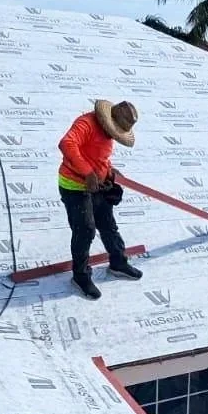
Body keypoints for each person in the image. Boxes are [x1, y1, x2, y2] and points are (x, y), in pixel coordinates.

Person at [57, 99, 143, 300]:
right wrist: (87, 173)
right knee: (85, 230)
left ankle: (118, 263)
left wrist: (108, 171)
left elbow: (99, 155)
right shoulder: (86, 123)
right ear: (107, 120)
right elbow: (66, 143)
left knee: (107, 224)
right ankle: (81, 276)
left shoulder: (107, 135)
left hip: (96, 185)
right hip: (73, 185)